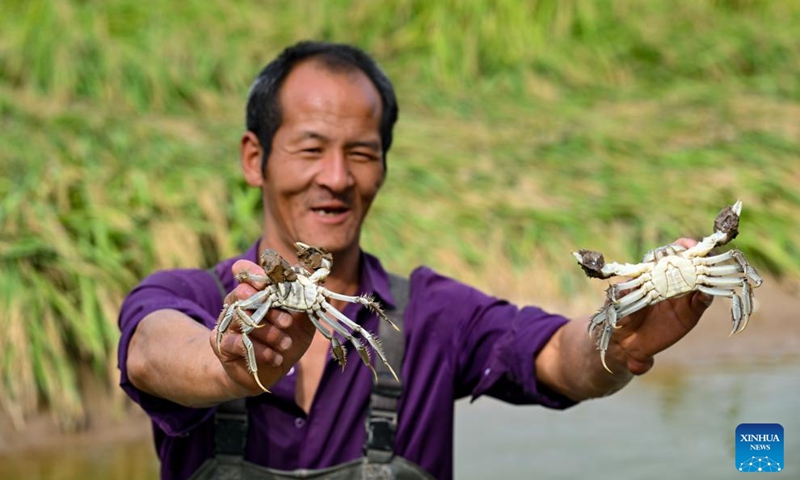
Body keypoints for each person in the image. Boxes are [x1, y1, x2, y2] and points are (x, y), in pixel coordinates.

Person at [118, 41, 713, 480]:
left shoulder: (430, 315)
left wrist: (616, 338)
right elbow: (150, 352)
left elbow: (560, 356)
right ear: (256, 159)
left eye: (361, 153)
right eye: (310, 148)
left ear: (383, 165)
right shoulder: (195, 297)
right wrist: (226, 367)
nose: (336, 178)